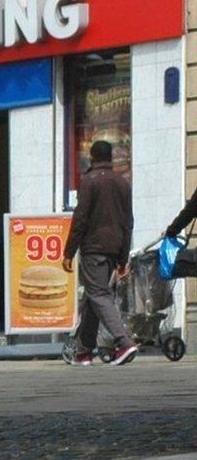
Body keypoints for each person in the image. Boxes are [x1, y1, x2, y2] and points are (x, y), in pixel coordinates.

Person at [64, 140, 139, 366]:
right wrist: (123, 257)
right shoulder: (123, 183)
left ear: (92, 157)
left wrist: (69, 251)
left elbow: (80, 219)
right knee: (92, 297)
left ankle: (124, 342)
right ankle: (84, 351)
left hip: (94, 248)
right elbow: (128, 222)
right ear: (111, 157)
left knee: (98, 295)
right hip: (115, 247)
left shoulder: (89, 181)